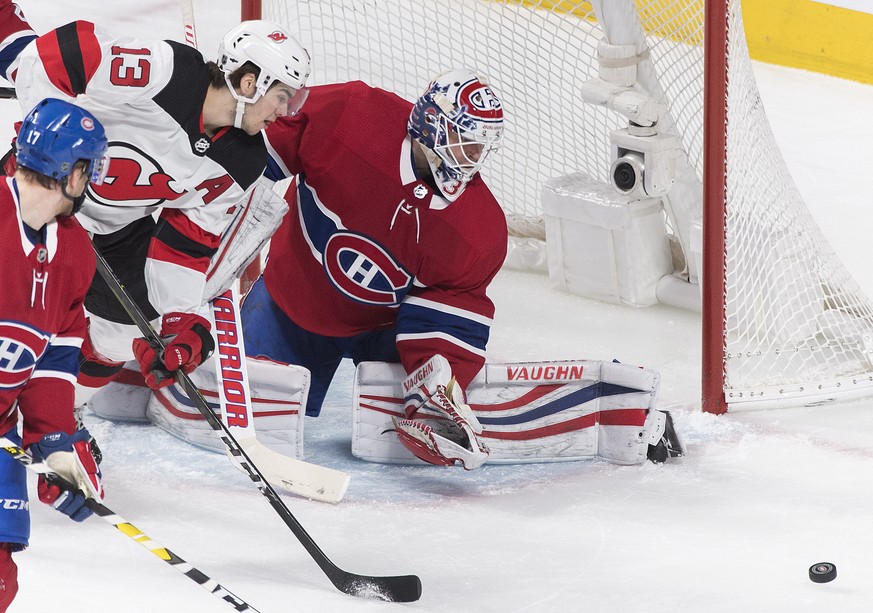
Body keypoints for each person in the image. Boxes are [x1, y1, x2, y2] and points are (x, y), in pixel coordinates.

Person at [0, 2, 311, 402]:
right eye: (283, 96)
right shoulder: (167, 71)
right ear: (250, 82)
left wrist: (181, 319)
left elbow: (185, 246)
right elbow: (53, 56)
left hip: (116, 228)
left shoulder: (241, 160)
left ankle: (54, 413)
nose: (286, 112)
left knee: (125, 329)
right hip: (41, 188)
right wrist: (49, 136)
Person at [241, 69, 507, 469]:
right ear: (431, 124)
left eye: (479, 146)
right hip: (293, 298)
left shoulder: (478, 228)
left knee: (428, 395)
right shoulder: (350, 115)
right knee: (247, 418)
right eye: (464, 140)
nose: (472, 157)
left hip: (386, 330)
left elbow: (447, 316)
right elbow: (252, 156)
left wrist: (436, 390)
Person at [0, 98, 108, 611]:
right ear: (72, 171)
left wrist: (56, 446)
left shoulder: (76, 253)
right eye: (90, 170)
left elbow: (53, 362)